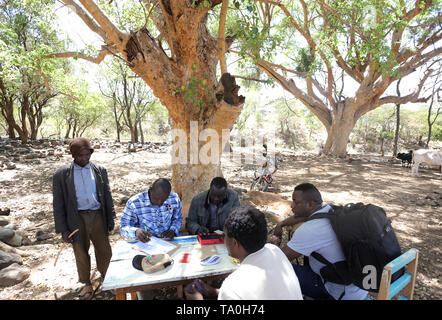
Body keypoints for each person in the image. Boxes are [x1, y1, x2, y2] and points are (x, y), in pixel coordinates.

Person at [270, 183, 368, 300]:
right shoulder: (331, 209)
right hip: (357, 286)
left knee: (276, 270)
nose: (292, 206)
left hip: (338, 292)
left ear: (310, 204)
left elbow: (278, 259)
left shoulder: (310, 230)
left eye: (296, 202)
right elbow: (304, 217)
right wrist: (281, 224)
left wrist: (274, 243)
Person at [184, 205, 303, 300]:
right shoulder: (275, 251)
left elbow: (237, 292)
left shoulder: (233, 286)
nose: (224, 240)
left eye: (225, 236)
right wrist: (214, 292)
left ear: (235, 243)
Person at [52, 137, 115, 300]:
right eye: (80, 156)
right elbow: (58, 203)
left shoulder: (99, 169)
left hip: (98, 215)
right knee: (80, 251)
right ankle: (87, 283)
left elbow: (107, 194)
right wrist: (63, 229)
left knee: (104, 249)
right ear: (73, 155)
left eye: (88, 155)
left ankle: (107, 278)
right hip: (76, 218)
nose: (85, 158)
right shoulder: (61, 174)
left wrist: (110, 217)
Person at [120, 178, 183, 300]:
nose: (159, 202)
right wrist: (136, 231)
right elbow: (123, 228)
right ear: (150, 190)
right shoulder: (134, 202)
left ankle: (180, 294)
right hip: (145, 246)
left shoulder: (173, 198)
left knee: (183, 267)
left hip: (168, 244)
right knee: (143, 276)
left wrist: (173, 229)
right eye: (156, 199)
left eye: (163, 200)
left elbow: (178, 218)